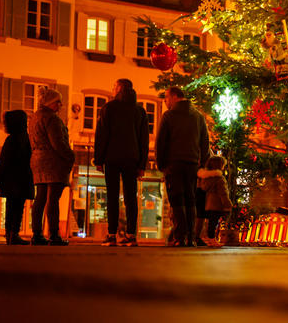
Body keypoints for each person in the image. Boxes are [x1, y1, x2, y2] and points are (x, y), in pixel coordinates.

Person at [94, 79, 149, 247]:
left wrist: (98, 159)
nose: (112, 88)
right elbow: (143, 140)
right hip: (132, 158)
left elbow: (102, 134)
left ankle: (111, 234)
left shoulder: (109, 108)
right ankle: (131, 235)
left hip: (112, 157)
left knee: (112, 196)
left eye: (114, 86)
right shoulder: (140, 111)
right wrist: (142, 164)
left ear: (119, 89)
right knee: (131, 197)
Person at [156, 87, 210, 247]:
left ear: (174, 97)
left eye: (166, 98)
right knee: (190, 199)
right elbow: (204, 142)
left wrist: (161, 164)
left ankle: (180, 236)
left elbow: (161, 142)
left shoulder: (169, 116)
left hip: (174, 164)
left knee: (177, 199)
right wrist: (202, 162)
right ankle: (191, 237)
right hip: (192, 164)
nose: (165, 101)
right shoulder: (198, 116)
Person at [28, 88, 75, 246]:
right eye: (57, 101)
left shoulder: (34, 117)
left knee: (40, 199)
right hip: (53, 162)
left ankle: (37, 234)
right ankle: (54, 235)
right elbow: (58, 143)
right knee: (52, 200)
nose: (60, 105)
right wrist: (70, 156)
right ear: (49, 102)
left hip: (37, 161)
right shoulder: (52, 119)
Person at [0, 110, 34, 245]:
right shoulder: (26, 139)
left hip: (10, 181)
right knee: (18, 207)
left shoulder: (11, 140)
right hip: (22, 180)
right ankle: (13, 233)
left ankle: (10, 233)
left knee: (11, 207)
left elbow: (3, 161)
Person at [197, 155, 232, 247]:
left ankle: (210, 239)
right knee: (214, 222)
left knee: (211, 222)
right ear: (220, 166)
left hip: (208, 203)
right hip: (217, 203)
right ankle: (212, 239)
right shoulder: (219, 179)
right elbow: (223, 193)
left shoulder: (204, 178)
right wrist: (227, 204)